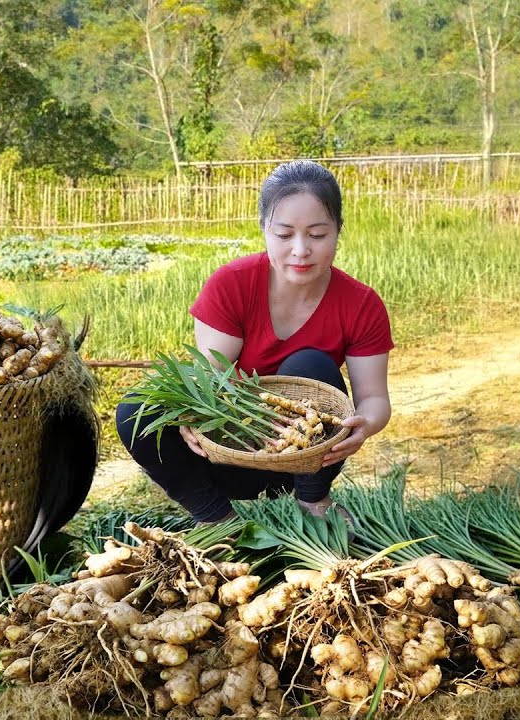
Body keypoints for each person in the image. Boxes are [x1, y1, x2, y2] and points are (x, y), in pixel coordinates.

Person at [115, 160, 393, 523]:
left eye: (317, 234)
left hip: (308, 457)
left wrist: (365, 425)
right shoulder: (232, 285)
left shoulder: (361, 303)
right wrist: (188, 412)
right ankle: (215, 518)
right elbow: (208, 376)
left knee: (308, 367)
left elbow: (374, 399)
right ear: (264, 229)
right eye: (284, 234)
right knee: (137, 409)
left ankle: (313, 503)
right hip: (228, 452)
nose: (300, 249)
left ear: (339, 230)